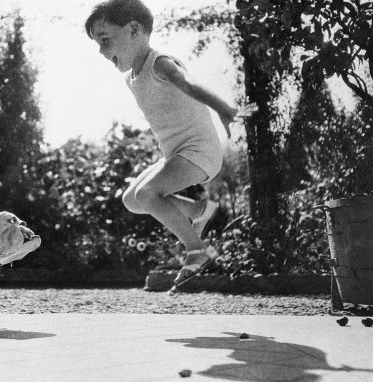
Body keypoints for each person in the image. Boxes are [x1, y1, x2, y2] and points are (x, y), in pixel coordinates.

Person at [84, 0, 255, 287]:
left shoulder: (160, 63)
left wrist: (223, 108)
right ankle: (200, 211)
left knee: (149, 195)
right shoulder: (132, 78)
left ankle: (197, 250)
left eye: (105, 39)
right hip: (176, 154)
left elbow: (188, 84)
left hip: (199, 152)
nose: (102, 51)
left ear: (134, 30)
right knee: (132, 199)